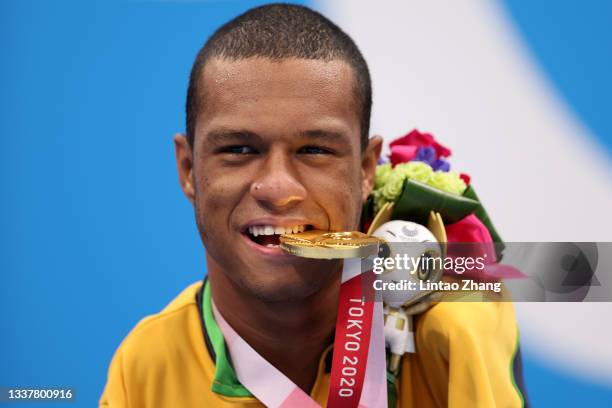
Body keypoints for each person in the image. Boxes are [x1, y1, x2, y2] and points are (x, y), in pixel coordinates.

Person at [100, 4, 527, 407]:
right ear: (188, 168)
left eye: (315, 150)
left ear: (365, 170)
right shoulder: (146, 365)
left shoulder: (450, 332)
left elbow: (579, 277)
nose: (277, 187)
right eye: (240, 148)